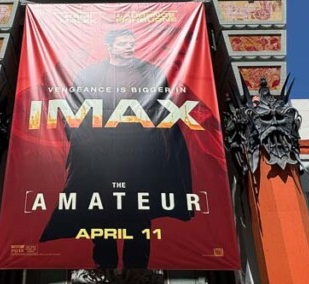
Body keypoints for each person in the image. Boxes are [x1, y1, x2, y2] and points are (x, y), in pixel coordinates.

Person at [40, 28, 194, 268]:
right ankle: (104, 267)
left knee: (139, 211)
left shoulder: (151, 73)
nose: (129, 46)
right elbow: (70, 110)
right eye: (123, 43)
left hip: (141, 156)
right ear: (110, 47)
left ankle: (137, 270)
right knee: (101, 210)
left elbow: (165, 109)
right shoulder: (89, 74)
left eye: (132, 42)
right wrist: (85, 142)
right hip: (99, 156)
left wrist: (156, 146)